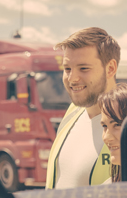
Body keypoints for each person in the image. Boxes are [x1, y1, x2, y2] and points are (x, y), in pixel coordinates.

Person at [45, 27, 120, 189]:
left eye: (83, 68)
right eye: (67, 69)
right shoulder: (72, 112)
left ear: (111, 68)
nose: (72, 79)